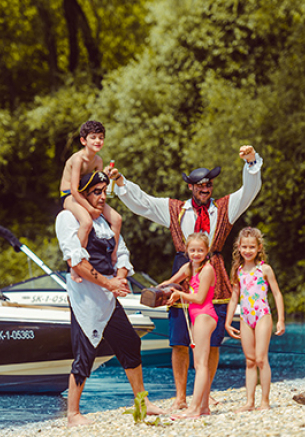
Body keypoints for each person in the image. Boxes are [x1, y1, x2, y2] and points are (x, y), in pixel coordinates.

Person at [108, 145, 262, 410]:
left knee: (212, 340)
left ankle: (204, 393)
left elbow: (248, 191)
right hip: (183, 268)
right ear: (191, 187)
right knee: (179, 340)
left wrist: (251, 163)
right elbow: (143, 202)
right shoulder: (174, 209)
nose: (205, 189)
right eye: (200, 186)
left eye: (209, 185)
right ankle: (180, 396)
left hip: (214, 270)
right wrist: (121, 182)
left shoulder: (225, 208)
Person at [55, 171, 164, 427]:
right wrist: (109, 283)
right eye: (96, 191)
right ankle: (73, 414)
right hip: (85, 296)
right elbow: (76, 261)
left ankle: (142, 402)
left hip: (107, 295)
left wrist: (121, 276)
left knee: (129, 343)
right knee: (84, 355)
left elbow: (122, 253)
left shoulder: (105, 222)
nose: (102, 197)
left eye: (105, 191)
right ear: (83, 193)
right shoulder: (67, 218)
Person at [224, 227, 285, 412]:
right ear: (239, 247)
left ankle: (264, 401)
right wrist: (228, 322)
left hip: (262, 316)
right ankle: (249, 402)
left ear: (259, 247)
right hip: (245, 317)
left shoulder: (264, 269)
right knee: (249, 360)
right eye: (244, 247)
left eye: (252, 247)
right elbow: (234, 298)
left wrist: (281, 319)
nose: (248, 250)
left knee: (260, 358)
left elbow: (277, 293)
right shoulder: (238, 271)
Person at [158, 232, 218, 419]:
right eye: (192, 250)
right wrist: (158, 291)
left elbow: (200, 298)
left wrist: (180, 295)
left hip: (205, 315)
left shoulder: (207, 270)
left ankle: (193, 409)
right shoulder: (188, 267)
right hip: (196, 316)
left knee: (200, 365)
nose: (196, 254)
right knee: (200, 364)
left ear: (207, 251)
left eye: (200, 250)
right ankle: (205, 408)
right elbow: (170, 282)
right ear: (187, 251)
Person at [59, 121, 122, 265]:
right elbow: (74, 190)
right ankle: (78, 264)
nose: (98, 141)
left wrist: (106, 175)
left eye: (100, 137)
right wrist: (91, 209)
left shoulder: (98, 160)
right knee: (86, 222)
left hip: (87, 194)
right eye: (93, 137)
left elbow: (98, 185)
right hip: (70, 195)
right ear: (83, 140)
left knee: (117, 219)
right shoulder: (78, 159)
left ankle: (113, 257)